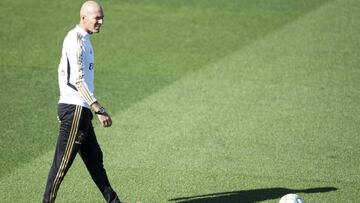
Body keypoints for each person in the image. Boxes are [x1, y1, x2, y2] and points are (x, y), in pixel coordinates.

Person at [42, 1, 123, 202]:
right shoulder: (76, 40)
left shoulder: (85, 40)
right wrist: (98, 108)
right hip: (76, 109)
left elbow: (62, 71)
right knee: (61, 166)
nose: (101, 21)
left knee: (95, 160)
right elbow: (76, 79)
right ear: (83, 17)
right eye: (97, 17)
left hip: (79, 109)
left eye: (102, 17)